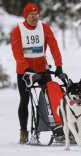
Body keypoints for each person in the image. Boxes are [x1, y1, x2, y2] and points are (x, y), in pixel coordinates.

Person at [11, 2, 64, 144]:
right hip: (24, 72)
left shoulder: (44, 28)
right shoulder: (18, 31)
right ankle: (23, 131)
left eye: (36, 15)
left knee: (51, 97)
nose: (34, 18)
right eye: (31, 15)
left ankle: (57, 128)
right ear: (25, 16)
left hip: (42, 69)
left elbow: (54, 46)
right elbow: (17, 53)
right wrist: (26, 69)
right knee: (25, 100)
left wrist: (59, 66)